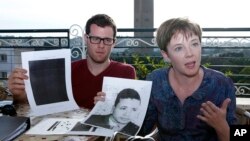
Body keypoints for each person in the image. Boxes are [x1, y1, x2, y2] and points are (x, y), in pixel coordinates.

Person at [95, 18, 237, 141]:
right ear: (166, 55)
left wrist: (222, 127)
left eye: (194, 44)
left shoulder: (222, 84)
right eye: (179, 48)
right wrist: (107, 105)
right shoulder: (155, 81)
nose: (190, 54)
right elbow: (140, 128)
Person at [7, 14, 136, 109]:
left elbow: (132, 119)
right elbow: (38, 108)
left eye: (107, 40)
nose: (101, 45)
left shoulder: (125, 72)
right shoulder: (67, 71)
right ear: (85, 39)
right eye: (95, 39)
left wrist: (113, 108)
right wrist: (20, 95)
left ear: (114, 43)